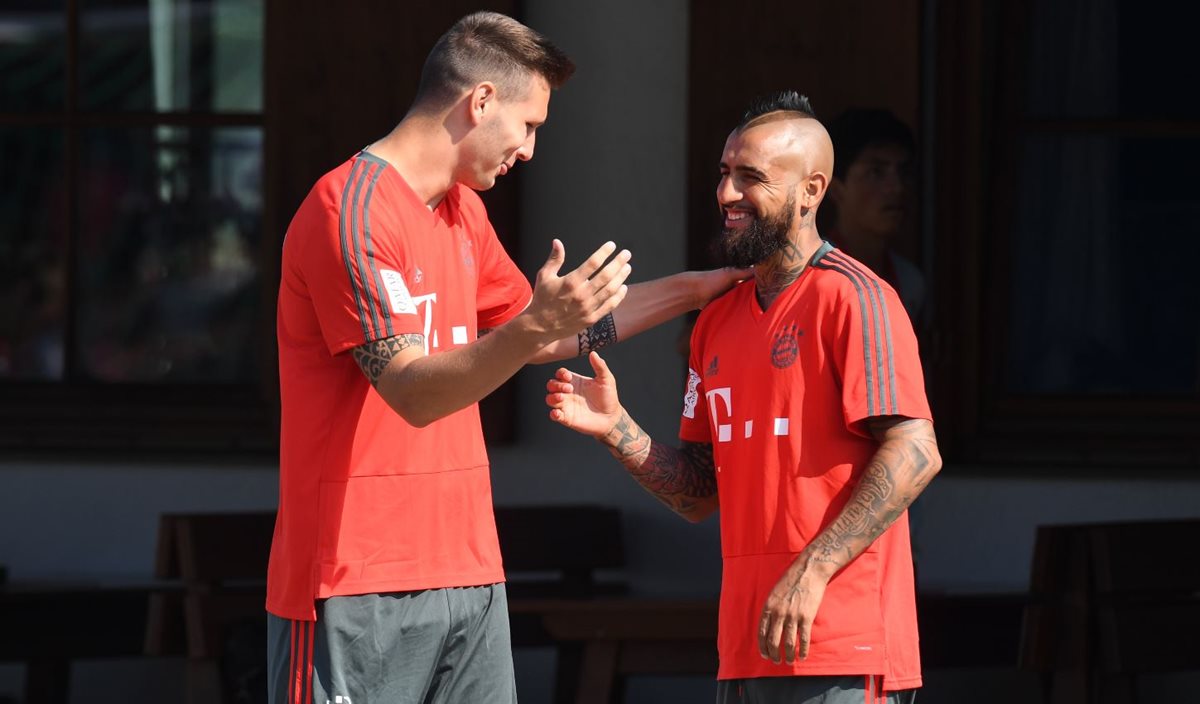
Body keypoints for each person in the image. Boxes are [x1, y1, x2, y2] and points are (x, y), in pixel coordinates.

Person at [266, 12, 745, 704]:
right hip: (354, 580)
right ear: (481, 101)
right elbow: (413, 393)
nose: (529, 149)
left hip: (469, 570)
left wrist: (697, 290)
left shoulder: (462, 209)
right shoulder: (349, 208)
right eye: (529, 125)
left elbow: (543, 336)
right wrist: (534, 328)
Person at [545, 91, 942, 704]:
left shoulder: (858, 298)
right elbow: (700, 492)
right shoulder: (715, 321)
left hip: (843, 646)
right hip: (745, 645)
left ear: (811, 191)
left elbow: (917, 450)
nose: (726, 193)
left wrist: (812, 569)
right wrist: (619, 430)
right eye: (724, 172)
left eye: (750, 177)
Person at [823, 108, 929, 331]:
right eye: (876, 172)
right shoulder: (812, 275)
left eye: (903, 172)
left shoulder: (910, 282)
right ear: (836, 188)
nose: (896, 188)